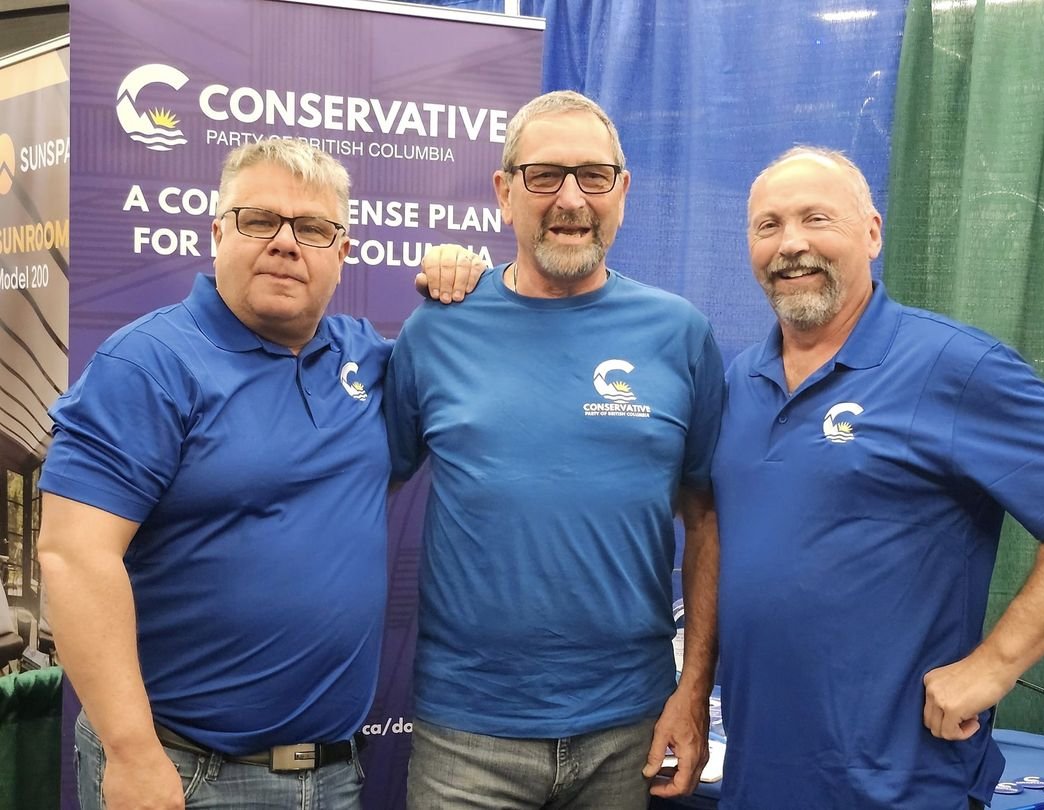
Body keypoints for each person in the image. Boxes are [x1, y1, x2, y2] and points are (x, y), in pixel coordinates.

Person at [37, 139, 480, 810]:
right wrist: (131, 754)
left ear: (343, 252)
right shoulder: (149, 364)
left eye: (312, 228)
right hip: (183, 773)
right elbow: (73, 555)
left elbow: (457, 377)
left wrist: (461, 271)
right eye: (258, 220)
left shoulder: (369, 361)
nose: (285, 243)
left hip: (333, 775)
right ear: (218, 232)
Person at [384, 90, 725, 809]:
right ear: (504, 192)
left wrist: (693, 692)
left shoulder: (680, 334)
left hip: (629, 730)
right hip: (466, 739)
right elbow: (357, 486)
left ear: (623, 192)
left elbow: (705, 519)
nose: (571, 198)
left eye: (593, 176)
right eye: (544, 176)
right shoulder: (437, 329)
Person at [714, 145, 1044, 810]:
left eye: (816, 219)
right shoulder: (741, 381)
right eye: (769, 226)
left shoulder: (953, 366)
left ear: (873, 233)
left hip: (899, 787)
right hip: (756, 779)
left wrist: (994, 666)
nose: (791, 244)